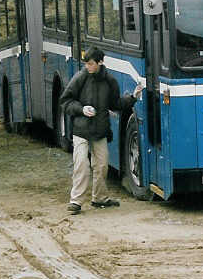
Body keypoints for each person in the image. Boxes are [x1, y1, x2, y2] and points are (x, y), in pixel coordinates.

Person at [60, 46, 142, 214]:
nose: (87, 67)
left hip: (100, 130)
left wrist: (133, 97)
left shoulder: (110, 81)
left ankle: (99, 198)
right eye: (86, 64)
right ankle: (76, 201)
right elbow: (66, 101)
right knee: (81, 164)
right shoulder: (80, 78)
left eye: (90, 64)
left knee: (102, 166)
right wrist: (82, 109)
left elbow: (115, 104)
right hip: (81, 130)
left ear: (100, 63)